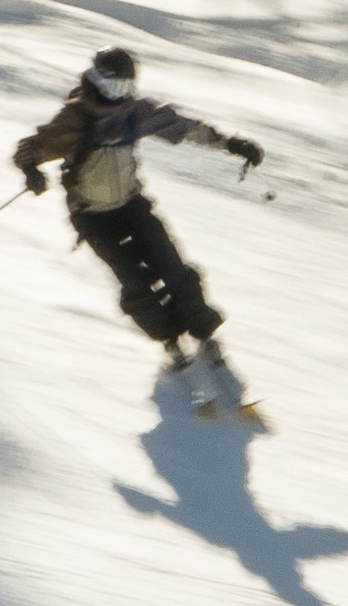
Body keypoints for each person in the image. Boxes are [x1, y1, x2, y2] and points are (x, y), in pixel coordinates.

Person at [14, 48, 264, 375]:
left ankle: (202, 331)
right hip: (92, 215)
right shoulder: (77, 118)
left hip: (131, 206)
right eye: (112, 87)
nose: (118, 95)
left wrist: (232, 144)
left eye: (125, 87)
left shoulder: (134, 113)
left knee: (171, 264)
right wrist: (31, 170)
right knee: (133, 278)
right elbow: (30, 148)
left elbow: (184, 126)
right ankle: (169, 338)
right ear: (96, 80)